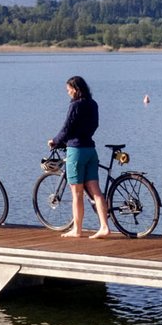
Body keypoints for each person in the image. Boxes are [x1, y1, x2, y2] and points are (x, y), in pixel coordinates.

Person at [48, 75, 110, 238]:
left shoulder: (75, 105)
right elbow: (95, 124)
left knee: (77, 193)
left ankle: (77, 229)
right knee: (96, 192)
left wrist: (55, 141)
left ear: (76, 89)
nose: (68, 92)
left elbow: (67, 127)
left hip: (76, 151)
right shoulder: (93, 104)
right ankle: (104, 226)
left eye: (69, 90)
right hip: (91, 150)